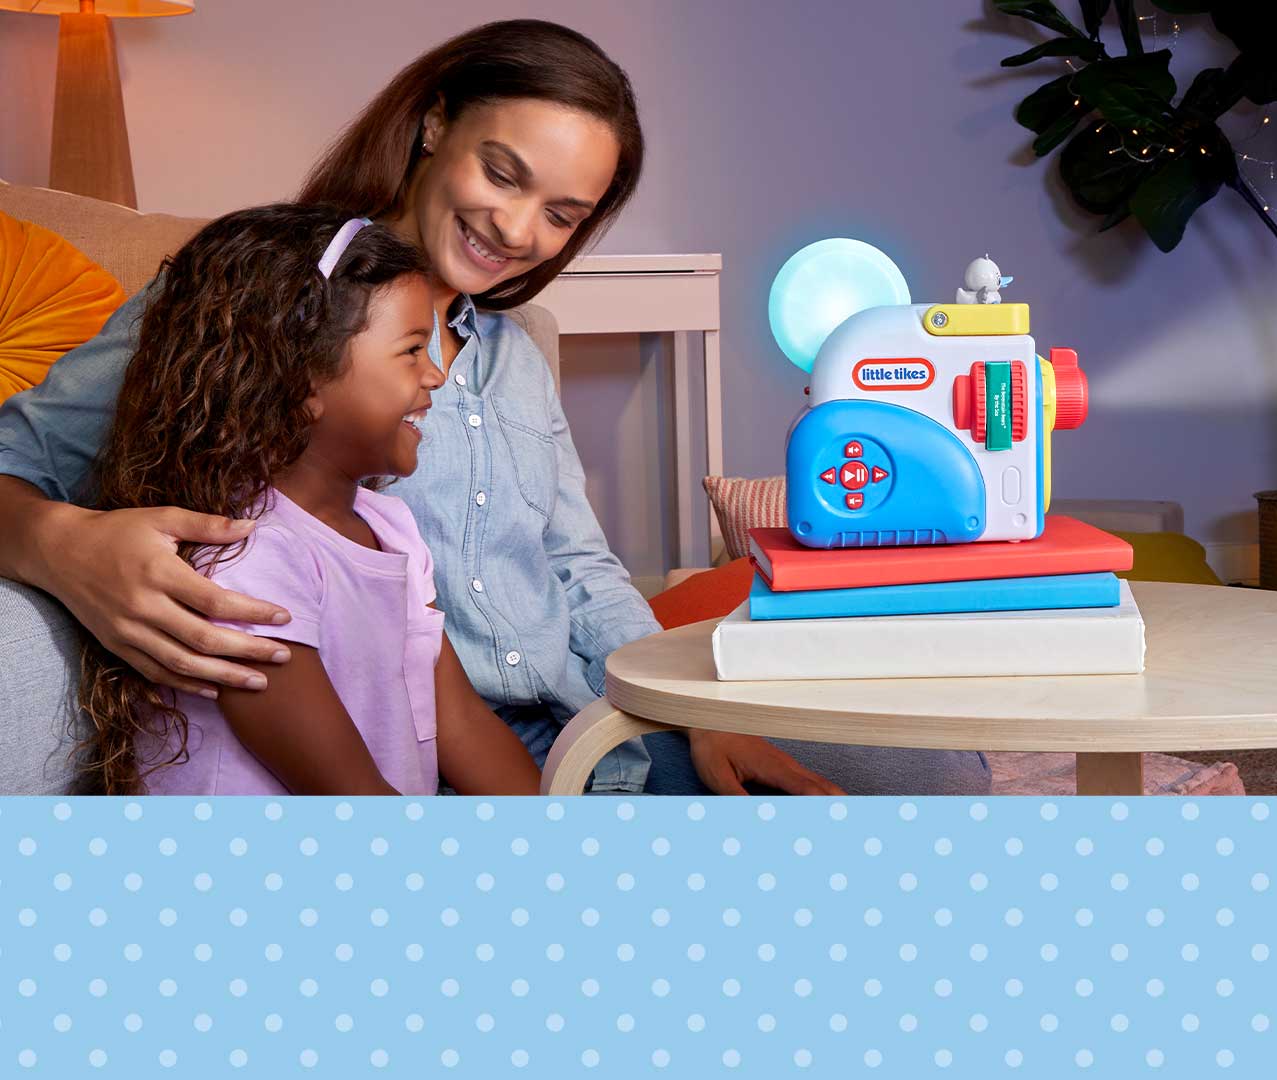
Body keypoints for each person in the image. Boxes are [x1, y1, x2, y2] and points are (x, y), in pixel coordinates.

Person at [0, 19, 989, 798]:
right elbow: (19, 459)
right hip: (385, 756)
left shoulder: (513, 359)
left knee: (924, 775)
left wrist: (699, 711)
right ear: (435, 124)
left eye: (561, 216)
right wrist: (60, 545)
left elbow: (578, 567)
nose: (517, 230)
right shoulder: (249, 302)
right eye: (504, 173)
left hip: (582, 733)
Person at [80, 206, 541, 796]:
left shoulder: (390, 526)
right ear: (302, 381)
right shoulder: (248, 562)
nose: (435, 376)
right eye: (411, 350)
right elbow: (344, 793)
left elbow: (464, 724)